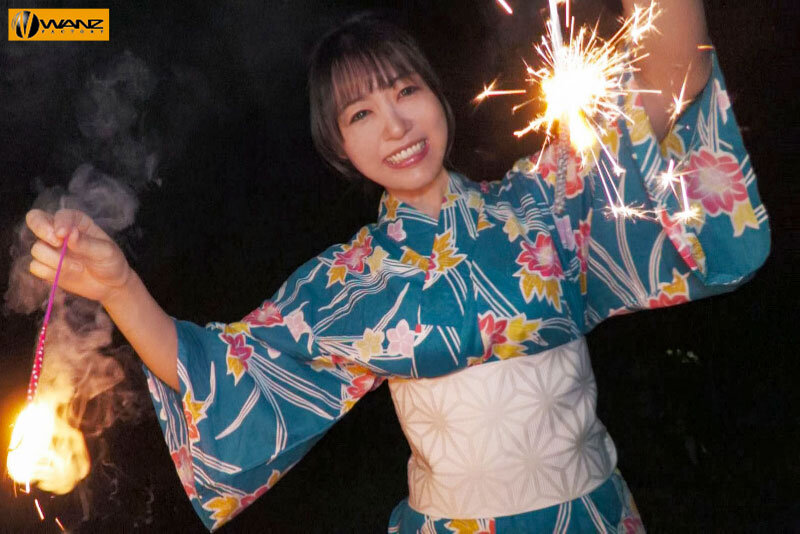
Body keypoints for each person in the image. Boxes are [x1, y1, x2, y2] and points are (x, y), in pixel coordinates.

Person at [25, 2, 769, 532]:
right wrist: (118, 286)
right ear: (340, 149)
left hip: (593, 516)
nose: (396, 124)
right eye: (361, 115)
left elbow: (672, 75)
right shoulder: (348, 280)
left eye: (406, 90)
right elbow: (222, 377)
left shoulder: (547, 195)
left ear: (439, 98)